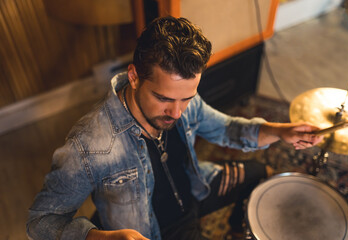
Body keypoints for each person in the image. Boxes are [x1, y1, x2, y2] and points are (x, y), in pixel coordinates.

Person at [27, 16, 322, 240]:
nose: (177, 112)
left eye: (186, 98)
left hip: (195, 188)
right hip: (150, 230)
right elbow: (41, 220)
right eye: (163, 98)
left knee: (265, 177)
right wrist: (97, 237)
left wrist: (281, 131)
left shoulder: (182, 103)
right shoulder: (89, 146)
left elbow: (227, 129)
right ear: (133, 76)